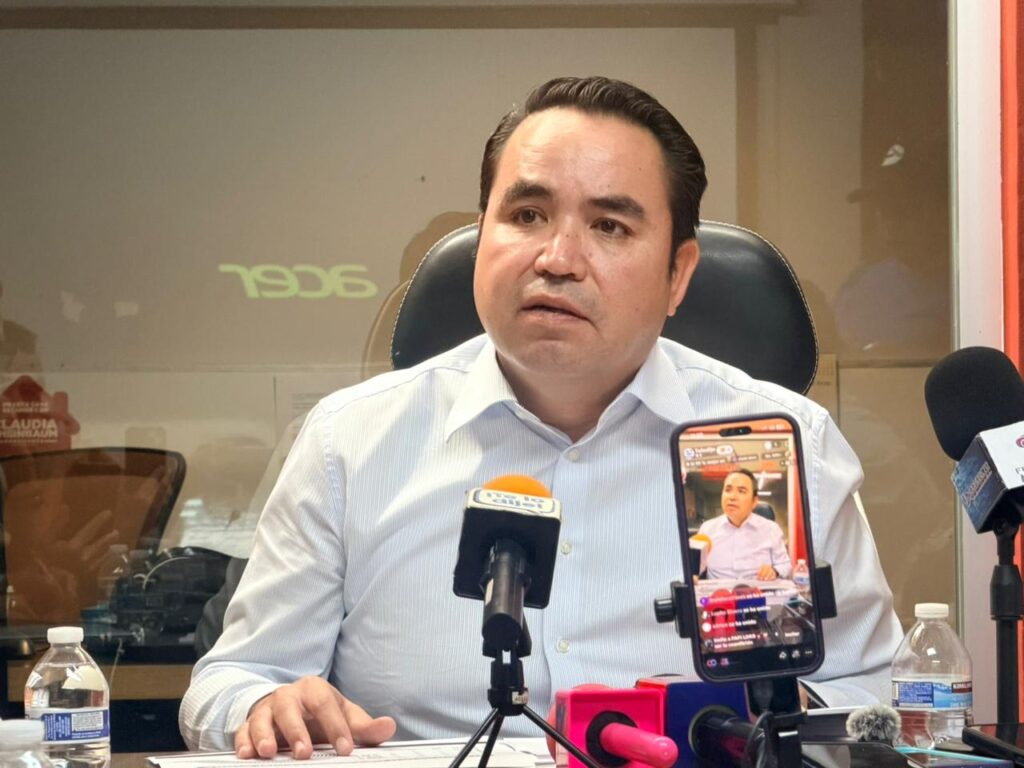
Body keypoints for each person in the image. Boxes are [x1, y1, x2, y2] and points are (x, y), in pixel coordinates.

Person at [179, 76, 903, 756]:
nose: (558, 258)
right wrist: (264, 706)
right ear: (482, 237)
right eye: (526, 216)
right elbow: (232, 679)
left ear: (678, 273)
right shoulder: (349, 444)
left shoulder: (785, 448)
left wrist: (754, 728)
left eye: (610, 226)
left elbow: (875, 695)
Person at [697, 469, 792, 581]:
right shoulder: (707, 529)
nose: (732, 497)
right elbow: (694, 568)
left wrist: (774, 571)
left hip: (758, 589)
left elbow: (785, 565)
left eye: (741, 491)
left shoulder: (770, 529)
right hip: (718, 591)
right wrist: (692, 575)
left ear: (754, 501)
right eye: (728, 490)